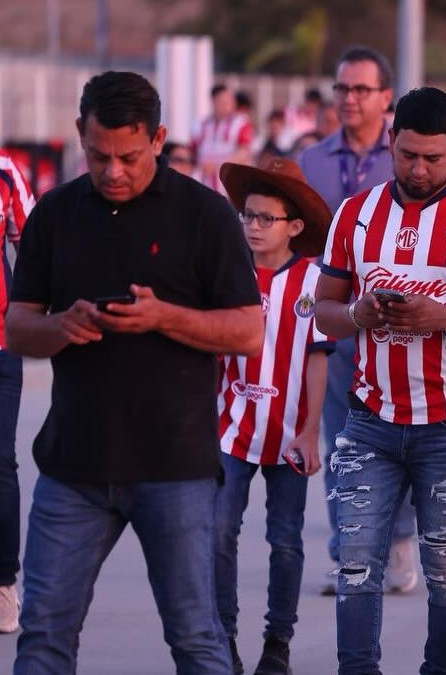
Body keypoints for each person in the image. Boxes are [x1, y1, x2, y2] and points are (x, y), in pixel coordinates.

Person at [8, 70, 263, 674]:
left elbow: (248, 331)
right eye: (99, 156)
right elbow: (18, 327)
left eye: (129, 157)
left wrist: (162, 316)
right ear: (80, 133)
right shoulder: (55, 214)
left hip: (175, 469)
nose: (113, 171)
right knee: (43, 635)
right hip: (73, 468)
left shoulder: (204, 215)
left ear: (159, 139)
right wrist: (61, 325)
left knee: (196, 638)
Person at [313, 85, 446, 675]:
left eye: (434, 158)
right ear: (390, 142)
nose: (419, 169)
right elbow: (323, 311)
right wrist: (357, 313)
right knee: (356, 563)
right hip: (369, 420)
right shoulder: (354, 216)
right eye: (408, 155)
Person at [298, 46, 421, 597]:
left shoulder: (409, 157)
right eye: (342, 88)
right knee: (342, 439)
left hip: (402, 320)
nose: (349, 99)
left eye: (361, 89)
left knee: (404, 435)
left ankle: (399, 539)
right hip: (335, 317)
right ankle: (348, 550)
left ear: (385, 97)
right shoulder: (312, 161)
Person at [213, 158, 334, 675]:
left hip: (289, 434)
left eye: (267, 218)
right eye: (248, 215)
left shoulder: (313, 280)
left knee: (285, 540)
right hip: (229, 428)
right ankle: (221, 638)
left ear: (295, 226)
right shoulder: (227, 270)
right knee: (218, 532)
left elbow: (317, 357)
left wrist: (310, 431)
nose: (255, 226)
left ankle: (278, 641)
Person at [0, 148, 34, 635]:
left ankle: (4, 582)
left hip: (2, 344)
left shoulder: (6, 170)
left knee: (1, 464)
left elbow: (32, 250)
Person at [192, 83, 255, 196]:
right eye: (222, 102)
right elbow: (192, 152)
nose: (227, 106)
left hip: (230, 183)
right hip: (205, 182)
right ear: (213, 102)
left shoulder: (241, 123)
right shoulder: (200, 125)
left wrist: (218, 165)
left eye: (230, 101)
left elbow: (244, 152)